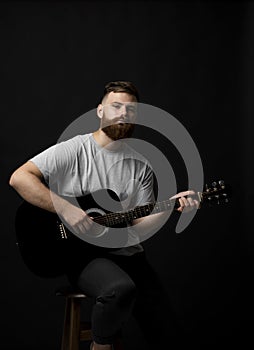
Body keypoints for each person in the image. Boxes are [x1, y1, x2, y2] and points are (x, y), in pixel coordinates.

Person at [9, 81, 199, 350]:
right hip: (83, 255)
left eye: (130, 109)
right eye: (116, 106)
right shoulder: (75, 149)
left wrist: (170, 208)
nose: (123, 113)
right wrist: (66, 208)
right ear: (100, 111)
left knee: (169, 334)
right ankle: (100, 346)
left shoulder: (141, 166)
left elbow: (138, 225)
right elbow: (19, 178)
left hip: (128, 255)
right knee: (118, 289)